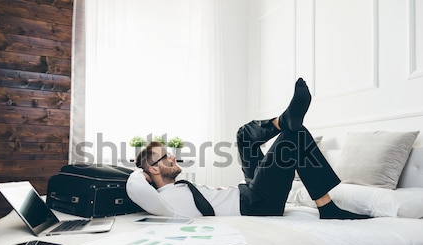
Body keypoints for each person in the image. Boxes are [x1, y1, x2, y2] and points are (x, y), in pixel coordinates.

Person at [127, 78, 370, 219]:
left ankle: (282, 120)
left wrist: (149, 171)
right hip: (257, 205)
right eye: (165, 156)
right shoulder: (160, 203)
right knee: (292, 138)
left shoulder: (176, 189)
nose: (172, 156)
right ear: (153, 169)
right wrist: (141, 172)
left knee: (244, 135)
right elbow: (135, 186)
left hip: (249, 191)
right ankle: (326, 207)